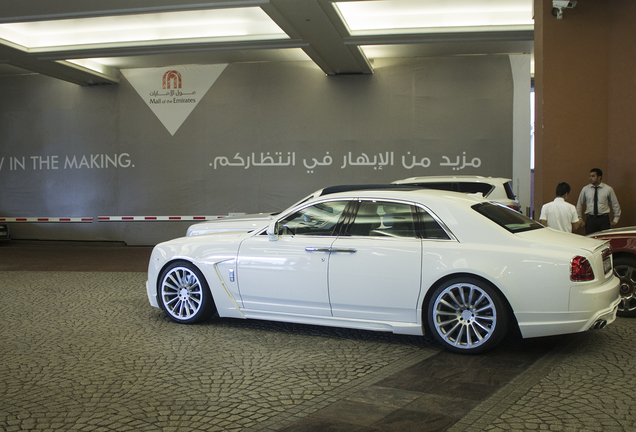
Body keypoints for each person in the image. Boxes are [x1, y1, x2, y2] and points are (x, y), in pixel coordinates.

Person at [576, 168, 621, 235]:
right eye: (590, 176)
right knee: (590, 239)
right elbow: (579, 204)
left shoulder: (608, 189)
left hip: (603, 219)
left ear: (599, 177)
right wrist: (580, 218)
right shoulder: (585, 189)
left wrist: (616, 219)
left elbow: (615, 204)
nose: (590, 178)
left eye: (593, 176)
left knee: (605, 239)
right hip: (590, 219)